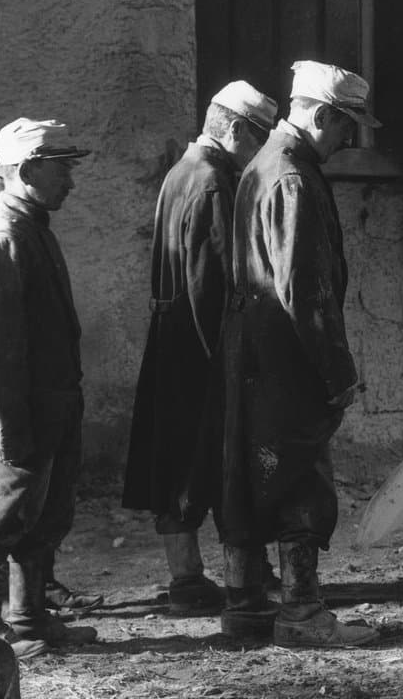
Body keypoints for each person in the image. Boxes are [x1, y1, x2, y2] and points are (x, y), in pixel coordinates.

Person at [218, 60, 380, 647]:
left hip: (252, 356)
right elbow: (305, 292)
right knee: (300, 483)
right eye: (345, 125)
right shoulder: (294, 180)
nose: (349, 139)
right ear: (320, 116)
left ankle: (245, 607)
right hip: (288, 362)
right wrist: (337, 374)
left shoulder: (262, 165)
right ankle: (302, 614)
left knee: (247, 477)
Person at [122, 81, 278, 616]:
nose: (261, 152)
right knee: (207, 463)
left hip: (173, 342)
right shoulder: (214, 183)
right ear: (234, 129)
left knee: (175, 460)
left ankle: (186, 574)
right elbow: (215, 287)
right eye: (257, 138)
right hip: (202, 351)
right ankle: (209, 580)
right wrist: (239, 361)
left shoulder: (180, 173)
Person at [0, 118, 99, 654]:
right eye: (62, 171)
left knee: (40, 517)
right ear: (29, 170)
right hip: (13, 411)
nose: (70, 183)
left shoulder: (31, 228)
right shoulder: (4, 239)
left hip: (45, 407)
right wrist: (7, 430)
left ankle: (29, 619)